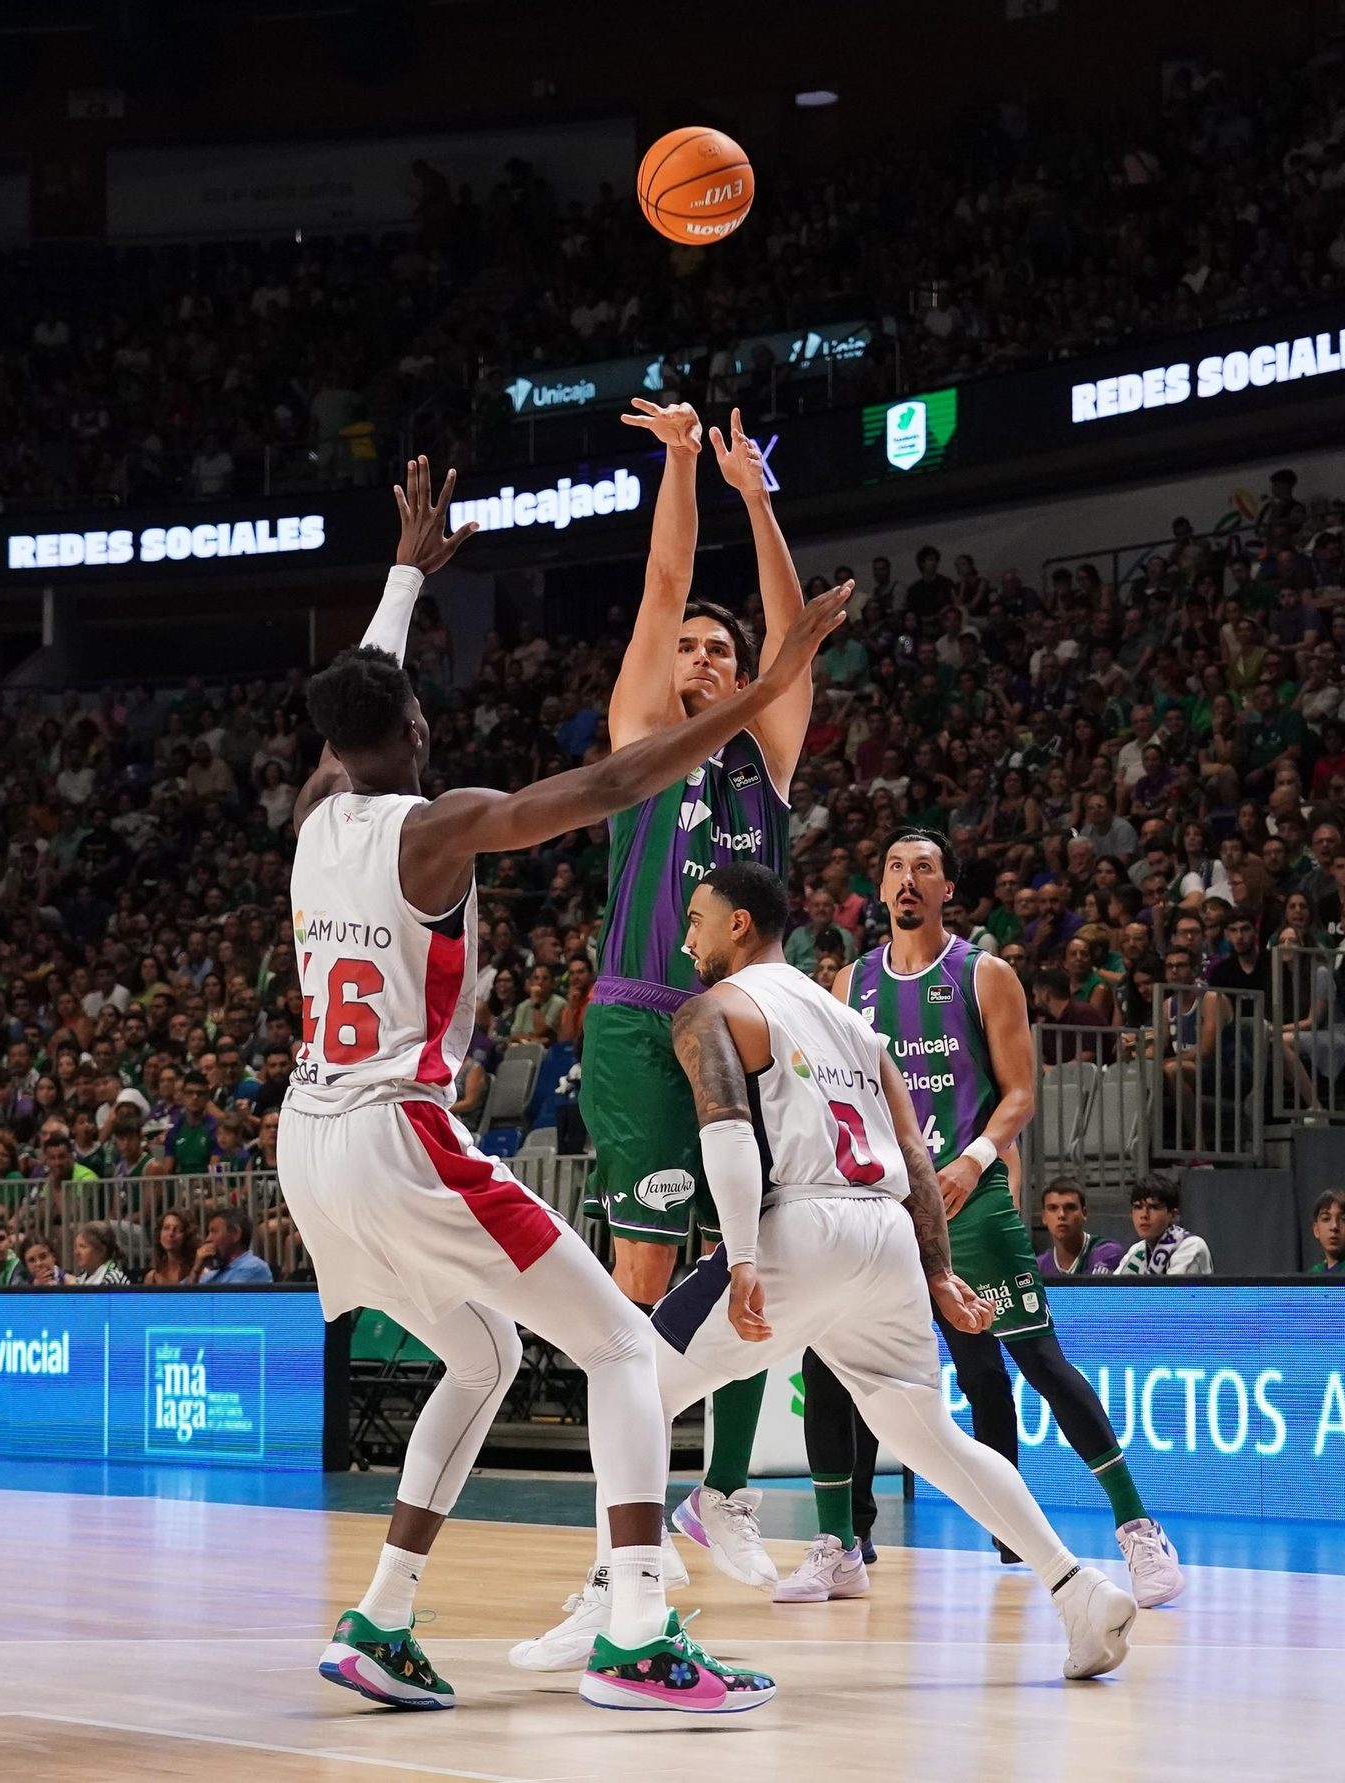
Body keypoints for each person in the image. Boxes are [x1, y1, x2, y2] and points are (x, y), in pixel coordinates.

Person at [281, 460, 845, 1713]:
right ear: (415, 733)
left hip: (307, 1139)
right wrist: (758, 690)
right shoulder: (434, 826)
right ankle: (637, 1629)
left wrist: (402, 578)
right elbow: (600, 786)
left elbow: (357, 707)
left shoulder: (317, 815)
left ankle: (381, 1617)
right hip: (397, 1133)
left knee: (481, 1355)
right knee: (622, 1345)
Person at [518, 862, 1136, 1678]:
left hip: (802, 1222)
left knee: (625, 1371)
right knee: (930, 1435)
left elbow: (727, 1132)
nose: (687, 938)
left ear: (740, 923)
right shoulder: (854, 1024)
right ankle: (1077, 1587)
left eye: (697, 919)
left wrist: (742, 1255)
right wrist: (937, 1271)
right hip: (885, 1234)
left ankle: (619, 1593)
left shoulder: (717, 1007)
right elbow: (914, 1152)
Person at [799, 828, 1180, 1606]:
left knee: (1038, 1358)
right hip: (880, 1205)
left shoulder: (985, 973)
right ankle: (840, 1543)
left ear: (948, 888)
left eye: (924, 868)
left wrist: (974, 1159)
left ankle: (1138, 1527)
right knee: (830, 1361)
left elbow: (1021, 1092)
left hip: (969, 1198)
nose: (908, 878)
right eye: (895, 867)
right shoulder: (847, 983)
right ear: (880, 888)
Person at [577, 400, 822, 1584]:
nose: (707, 659)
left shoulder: (763, 765)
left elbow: (793, 641)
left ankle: (721, 1495)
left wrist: (757, 500)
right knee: (641, 1278)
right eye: (691, 650)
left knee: (754, 1254)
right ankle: (618, 1531)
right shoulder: (639, 739)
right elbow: (664, 582)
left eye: (722, 652)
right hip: (639, 1020)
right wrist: (678, 465)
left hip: (746, 1029)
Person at [1116, 1176, 1213, 1275]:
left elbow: (1171, 1285)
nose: (1144, 1215)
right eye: (1138, 1207)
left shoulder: (1191, 1246)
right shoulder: (1136, 1250)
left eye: (1153, 1207)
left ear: (1173, 1215)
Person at [1036, 1179, 1125, 1277]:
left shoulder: (1107, 1252)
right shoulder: (1038, 1266)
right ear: (1044, 1217)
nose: (1061, 1215)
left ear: (1084, 1214)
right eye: (1053, 1208)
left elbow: (1091, 1287)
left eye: (1070, 1207)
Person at [190, 1207, 273, 1284]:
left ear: (235, 1234)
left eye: (214, 1231)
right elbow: (187, 1295)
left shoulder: (254, 1267)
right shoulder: (212, 1275)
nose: (208, 1239)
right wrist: (196, 1269)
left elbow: (225, 1295)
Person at [144, 1206, 198, 1284]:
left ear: (188, 1235)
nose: (171, 1234)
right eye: (166, 1228)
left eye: (177, 1229)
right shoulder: (151, 1277)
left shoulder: (200, 1272)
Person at [72, 1221, 130, 1285]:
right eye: (76, 1247)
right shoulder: (81, 1277)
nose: (76, 1252)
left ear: (102, 1251)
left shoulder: (112, 1278)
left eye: (83, 1247)